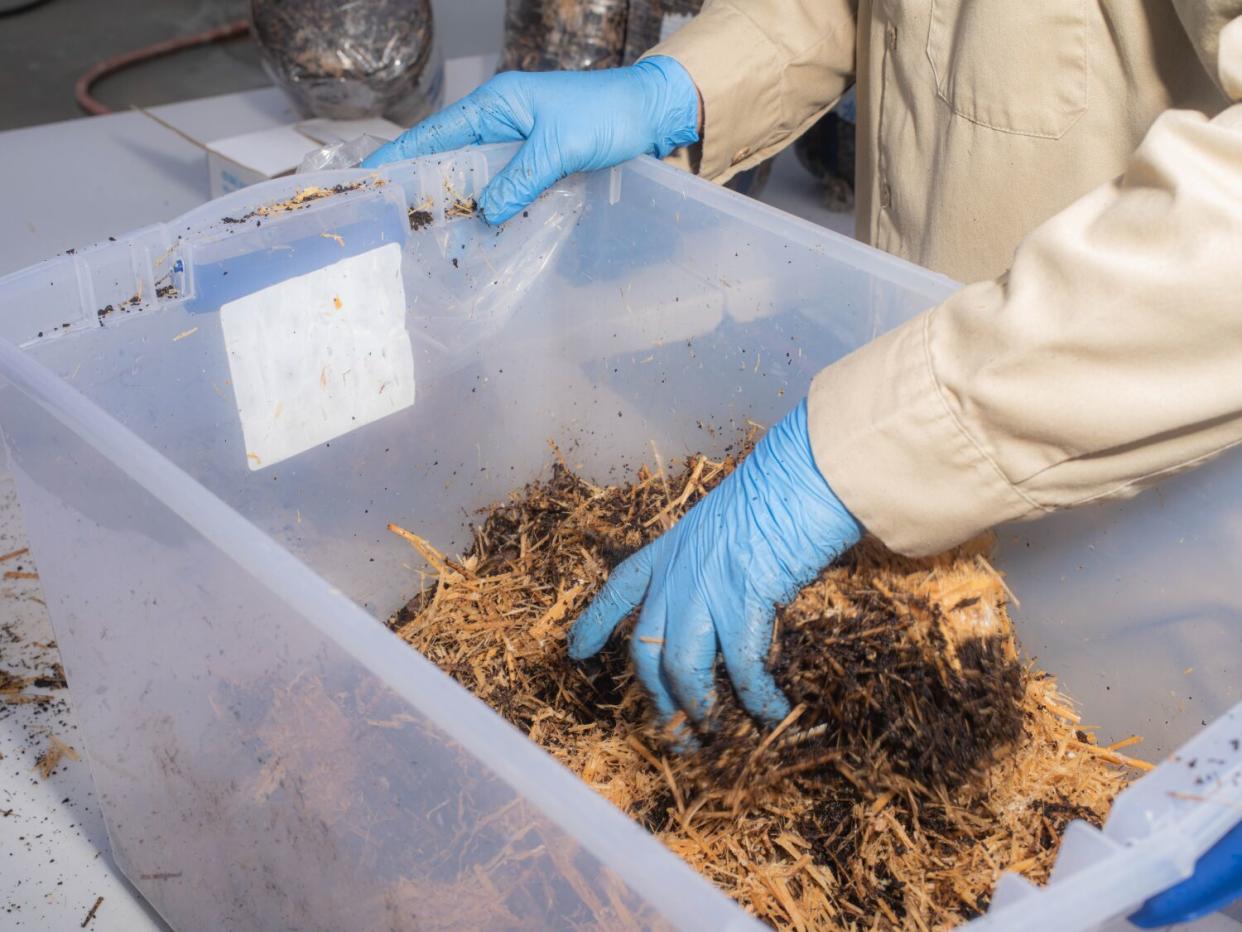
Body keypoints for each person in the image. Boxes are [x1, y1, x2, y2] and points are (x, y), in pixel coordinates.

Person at [365, 5, 1242, 915]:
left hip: (1148, 504)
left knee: (1082, 844)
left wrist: (852, 452)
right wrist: (688, 85)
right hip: (906, 430)